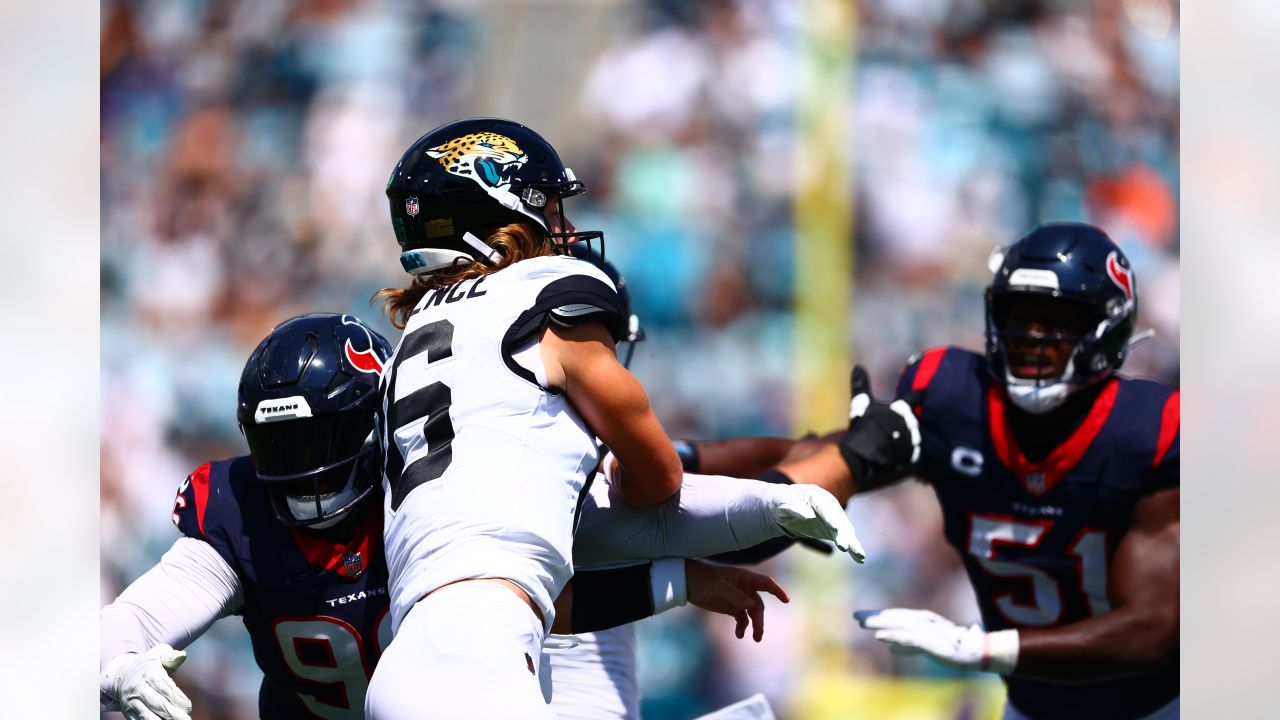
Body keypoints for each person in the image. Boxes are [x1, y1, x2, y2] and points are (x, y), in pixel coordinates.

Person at [99, 312, 853, 720]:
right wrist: (117, 664)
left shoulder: (435, 482)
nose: (305, 464)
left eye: (320, 438)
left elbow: (533, 597)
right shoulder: (237, 512)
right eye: (282, 443)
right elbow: (135, 618)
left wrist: (684, 574)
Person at [367, 117, 867, 719]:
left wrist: (757, 515)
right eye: (549, 207)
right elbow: (657, 483)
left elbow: (600, 535)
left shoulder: (412, 349)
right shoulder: (540, 295)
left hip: (411, 662)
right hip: (482, 651)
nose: (565, 229)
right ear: (500, 211)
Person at [683, 222, 1179, 720]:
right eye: (1019, 315)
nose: (1031, 338)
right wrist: (686, 466)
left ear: (1106, 326)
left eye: (1054, 321)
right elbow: (802, 463)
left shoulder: (1147, 431)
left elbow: (1155, 630)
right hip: (1031, 708)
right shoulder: (953, 400)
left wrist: (982, 649)